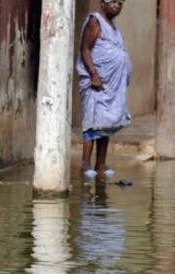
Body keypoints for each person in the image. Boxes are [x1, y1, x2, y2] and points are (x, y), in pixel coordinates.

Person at [76, 0, 131, 177]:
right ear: (102, 3)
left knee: (105, 124)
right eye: (113, 2)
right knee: (92, 124)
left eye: (120, 3)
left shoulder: (113, 25)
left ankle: (101, 165)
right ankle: (85, 165)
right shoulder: (95, 21)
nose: (117, 5)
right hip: (97, 83)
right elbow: (85, 49)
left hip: (111, 85)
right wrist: (93, 75)